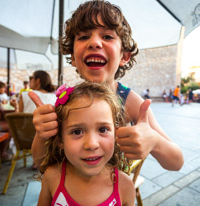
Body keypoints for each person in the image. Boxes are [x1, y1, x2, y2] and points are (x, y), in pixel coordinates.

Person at [30, 0, 184, 171]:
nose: (94, 42)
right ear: (73, 56)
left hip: (112, 192)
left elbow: (176, 162)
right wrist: (42, 134)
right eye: (83, 37)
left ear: (124, 56)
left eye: (107, 36)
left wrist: (155, 141)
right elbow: (39, 160)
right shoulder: (68, 100)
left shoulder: (130, 102)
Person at [37, 81, 135, 206]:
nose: (92, 144)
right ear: (61, 140)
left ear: (116, 134)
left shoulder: (125, 186)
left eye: (103, 129)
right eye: (77, 131)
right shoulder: (51, 177)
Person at [0, 80, 12, 161]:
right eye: (2, 88)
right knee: (11, 128)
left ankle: (2, 151)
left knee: (11, 125)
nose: (4, 89)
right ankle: (2, 153)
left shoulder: (1, 97)